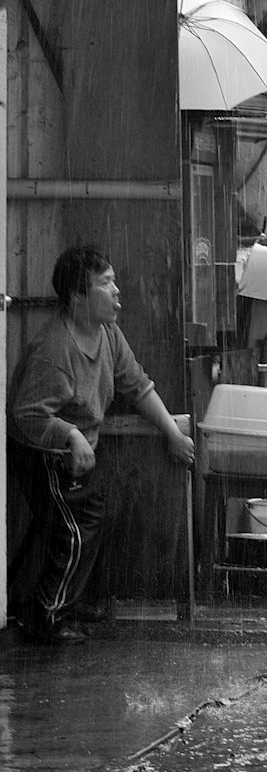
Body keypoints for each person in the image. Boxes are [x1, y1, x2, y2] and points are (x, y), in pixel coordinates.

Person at [7, 246, 195, 646]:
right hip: (44, 454)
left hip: (80, 451)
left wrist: (172, 434)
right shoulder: (55, 350)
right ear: (78, 296)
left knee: (98, 515)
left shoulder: (108, 332)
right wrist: (70, 435)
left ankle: (64, 602)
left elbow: (137, 384)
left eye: (114, 281)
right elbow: (27, 415)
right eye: (105, 284)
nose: (117, 291)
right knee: (76, 529)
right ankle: (44, 614)